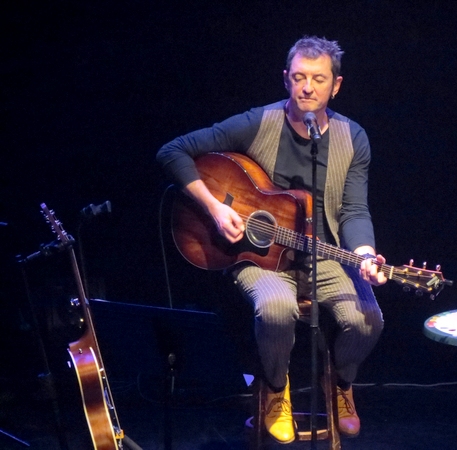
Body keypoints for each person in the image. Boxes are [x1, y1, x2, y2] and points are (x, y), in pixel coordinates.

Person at [157, 36, 386, 444]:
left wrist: (365, 253)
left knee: (367, 321)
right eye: (299, 77)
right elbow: (173, 151)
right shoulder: (257, 122)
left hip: (324, 253)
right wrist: (214, 207)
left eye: (318, 79)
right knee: (277, 310)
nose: (307, 87)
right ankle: (275, 388)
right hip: (258, 255)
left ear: (336, 86)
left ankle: (342, 383)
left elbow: (353, 210)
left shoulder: (354, 139)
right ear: (286, 79)